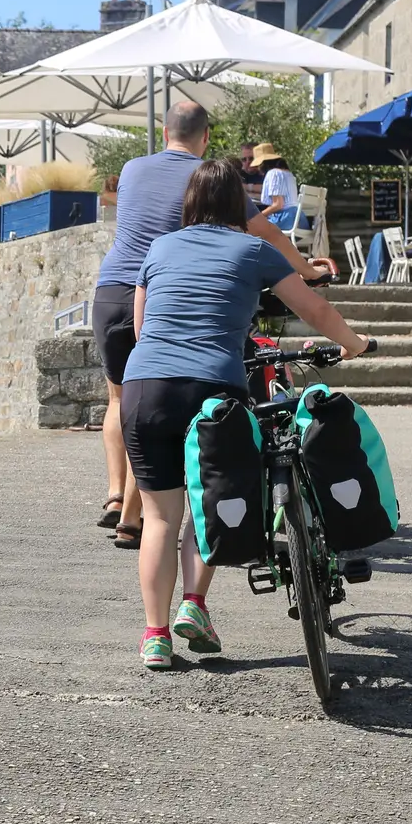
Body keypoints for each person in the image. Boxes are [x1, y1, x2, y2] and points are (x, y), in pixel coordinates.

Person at [123, 159, 370, 670]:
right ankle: (194, 604)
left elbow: (142, 327)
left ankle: (155, 636)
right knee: (206, 505)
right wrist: (354, 344)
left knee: (159, 518)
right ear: (240, 204)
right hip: (213, 389)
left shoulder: (160, 248)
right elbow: (315, 310)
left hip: (144, 389)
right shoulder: (254, 247)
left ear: (189, 204)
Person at [91, 102, 325, 551]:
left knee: (122, 396)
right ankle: (136, 514)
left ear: (163, 133)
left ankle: (118, 496)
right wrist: (307, 270)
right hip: (164, 290)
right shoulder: (210, 178)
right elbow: (268, 235)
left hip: (112, 291)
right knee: (160, 380)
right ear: (206, 138)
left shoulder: (132, 168)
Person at [254, 143, 301, 231]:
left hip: (286, 219)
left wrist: (258, 216)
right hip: (300, 220)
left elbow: (278, 204)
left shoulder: (273, 173)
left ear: (263, 163)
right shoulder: (289, 174)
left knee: (251, 229)